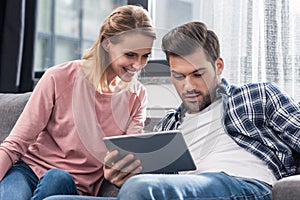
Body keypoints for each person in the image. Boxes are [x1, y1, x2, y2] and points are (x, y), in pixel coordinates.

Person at [43, 21, 300, 200]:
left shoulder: (257, 96)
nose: (188, 86)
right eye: (178, 76)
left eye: (197, 74)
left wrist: (138, 185)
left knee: (139, 189)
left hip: (244, 184)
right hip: (172, 191)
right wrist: (120, 176)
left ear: (218, 66)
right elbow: (155, 183)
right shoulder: (168, 125)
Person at [0, 5, 156, 199]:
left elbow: (128, 156)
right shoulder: (59, 77)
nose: (138, 65)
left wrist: (118, 172)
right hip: (27, 171)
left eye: (145, 56)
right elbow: (16, 143)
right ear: (107, 44)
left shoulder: (137, 97)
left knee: (57, 178)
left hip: (73, 185)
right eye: (130, 54)